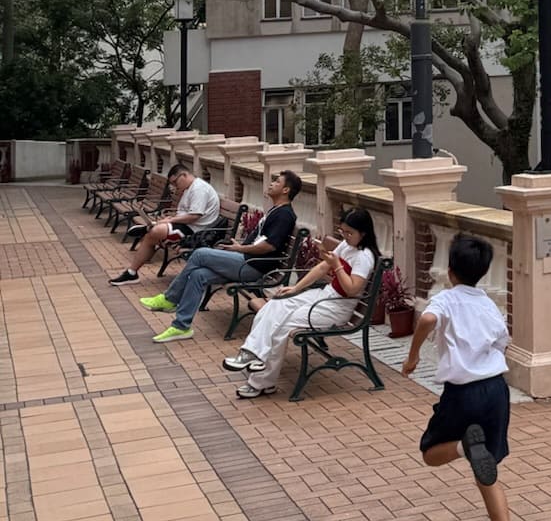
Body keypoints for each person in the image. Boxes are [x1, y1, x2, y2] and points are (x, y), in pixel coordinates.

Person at [403, 233, 525, 521]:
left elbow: (427, 320)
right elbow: (502, 340)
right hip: (496, 390)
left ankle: (462, 446)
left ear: (450, 270)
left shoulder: (447, 299)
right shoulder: (488, 303)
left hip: (463, 391)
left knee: (430, 452)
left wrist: (413, 358)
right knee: (486, 468)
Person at [222, 207, 379, 397]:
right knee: (275, 305)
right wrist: (296, 288)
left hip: (337, 307)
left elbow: (352, 289)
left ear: (363, 233)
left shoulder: (364, 256)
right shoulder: (346, 246)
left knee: (283, 324)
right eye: (342, 231)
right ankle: (251, 353)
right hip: (324, 295)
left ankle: (261, 382)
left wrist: (337, 266)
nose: (345, 236)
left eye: (350, 233)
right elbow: (322, 268)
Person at [141, 170, 302, 341]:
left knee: (200, 254)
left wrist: (240, 249)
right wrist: (240, 247)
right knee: (198, 275)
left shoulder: (284, 215)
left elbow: (268, 246)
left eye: (277, 182)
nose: (272, 184)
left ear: (286, 190)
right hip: (247, 260)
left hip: (253, 267)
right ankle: (181, 327)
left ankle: (170, 298)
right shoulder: (275, 210)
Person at [108, 166, 222, 282]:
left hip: (196, 231)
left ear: (184, 175)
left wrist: (171, 220)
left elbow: (194, 216)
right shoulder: (190, 188)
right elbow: (187, 213)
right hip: (188, 226)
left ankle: (149, 227)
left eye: (175, 182)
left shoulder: (199, 189)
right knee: (151, 237)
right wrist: (172, 218)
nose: (174, 186)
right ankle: (132, 272)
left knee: (155, 232)